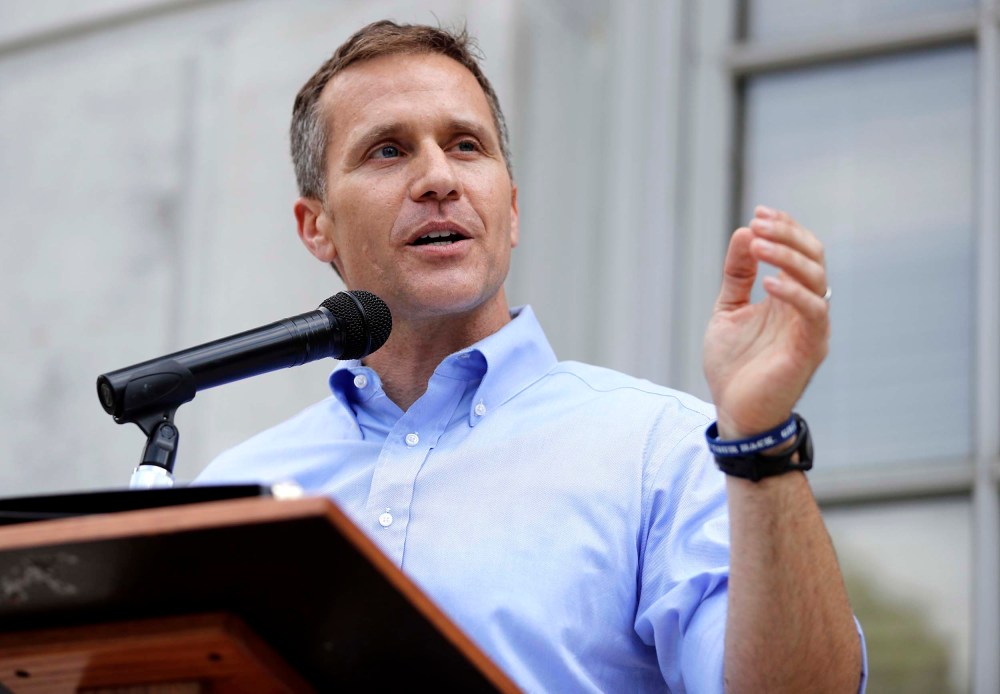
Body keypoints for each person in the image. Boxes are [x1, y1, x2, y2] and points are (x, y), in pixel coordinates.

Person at [199, 20, 866, 692]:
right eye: (388, 151)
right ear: (317, 227)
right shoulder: (235, 493)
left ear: (510, 210)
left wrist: (762, 441)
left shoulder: (661, 451)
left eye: (465, 145)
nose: (438, 178)